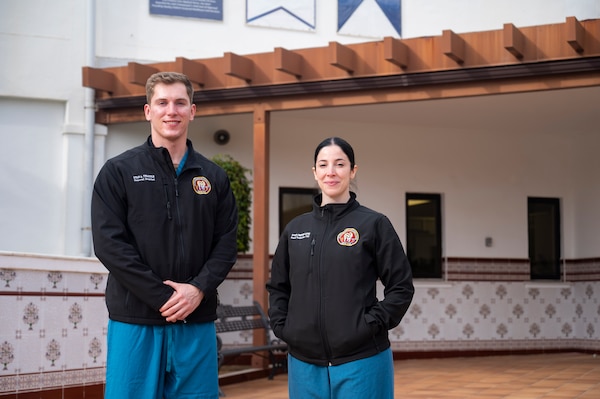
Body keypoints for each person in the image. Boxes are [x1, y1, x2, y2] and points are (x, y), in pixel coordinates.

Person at [91, 72, 238, 399]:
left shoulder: (214, 177)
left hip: (195, 320)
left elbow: (226, 244)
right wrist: (165, 298)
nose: (171, 111)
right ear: (148, 111)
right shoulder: (118, 172)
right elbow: (109, 245)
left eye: (180, 103)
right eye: (162, 103)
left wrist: (197, 290)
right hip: (136, 321)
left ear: (192, 111)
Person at [266, 137, 414, 399]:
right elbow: (279, 286)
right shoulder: (295, 229)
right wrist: (283, 326)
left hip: (362, 359)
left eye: (339, 164)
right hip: (304, 361)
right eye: (323, 165)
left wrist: (370, 325)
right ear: (314, 172)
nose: (330, 172)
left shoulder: (374, 224)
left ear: (353, 170)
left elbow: (401, 287)